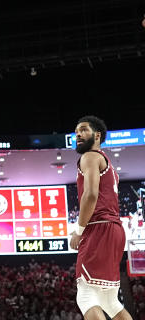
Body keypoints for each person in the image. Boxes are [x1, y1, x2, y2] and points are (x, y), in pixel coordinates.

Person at [68, 116, 133, 320]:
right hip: (115, 230)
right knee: (109, 301)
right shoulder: (110, 166)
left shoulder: (90, 156)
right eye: (76, 131)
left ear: (97, 135)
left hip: (99, 228)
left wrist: (79, 232)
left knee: (86, 297)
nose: (78, 134)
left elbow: (91, 195)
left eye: (84, 130)